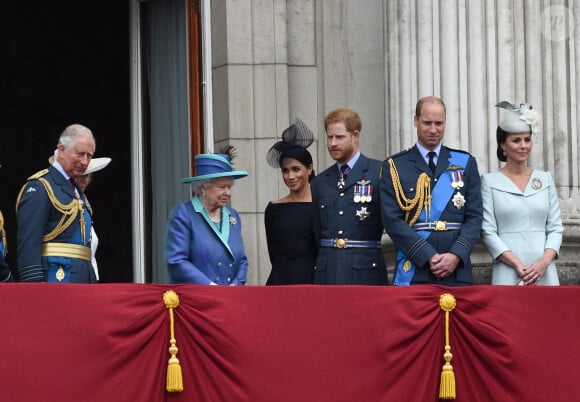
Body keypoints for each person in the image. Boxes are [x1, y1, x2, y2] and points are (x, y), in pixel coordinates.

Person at [381, 96, 483, 286]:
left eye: (439, 123)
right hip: (415, 267)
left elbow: (475, 216)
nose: (433, 130)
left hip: (456, 268)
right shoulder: (395, 166)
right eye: (427, 123)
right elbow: (391, 219)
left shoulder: (465, 162)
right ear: (415, 121)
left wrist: (455, 255)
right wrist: (427, 255)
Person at [481, 101, 562, 286]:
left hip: (544, 271)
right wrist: (517, 264)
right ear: (503, 144)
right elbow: (487, 231)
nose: (523, 145)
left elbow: (556, 228)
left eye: (527, 139)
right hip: (507, 269)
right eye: (516, 140)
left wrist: (542, 264)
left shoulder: (545, 179)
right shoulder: (488, 182)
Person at [310, 108, 387, 285]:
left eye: (339, 137)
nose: (333, 143)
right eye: (330, 137)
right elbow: (317, 232)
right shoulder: (319, 182)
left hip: (365, 273)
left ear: (355, 136)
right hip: (327, 274)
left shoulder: (380, 172)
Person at [16, 124, 96, 283]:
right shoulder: (41, 187)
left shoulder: (76, 190)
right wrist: (34, 286)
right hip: (56, 279)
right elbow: (28, 244)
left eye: (89, 155)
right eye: (80, 154)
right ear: (61, 150)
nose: (85, 161)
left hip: (82, 280)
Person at [165, 147, 249, 285]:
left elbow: (242, 261)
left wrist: (235, 286)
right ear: (204, 186)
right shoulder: (184, 214)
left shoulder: (232, 216)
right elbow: (176, 261)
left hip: (230, 298)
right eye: (222, 187)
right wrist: (210, 287)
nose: (228, 193)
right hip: (195, 299)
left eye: (230, 187)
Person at [264, 118, 317, 285]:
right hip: (279, 284)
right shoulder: (273, 208)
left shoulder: (321, 205)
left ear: (309, 168)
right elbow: (273, 254)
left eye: (296, 169)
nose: (290, 176)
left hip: (313, 284)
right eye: (285, 171)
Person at [75, 157, 112, 282]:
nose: (84, 180)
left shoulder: (84, 204)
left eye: (86, 176)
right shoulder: (63, 202)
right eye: (79, 175)